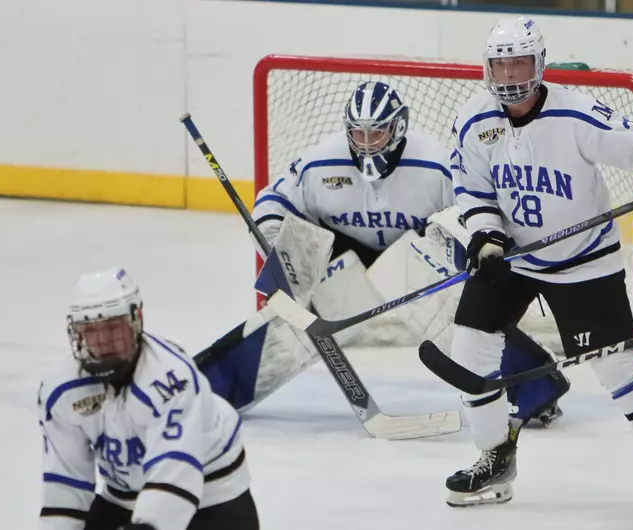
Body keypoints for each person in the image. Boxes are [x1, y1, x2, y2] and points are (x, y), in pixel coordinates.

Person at [202, 81, 570, 427]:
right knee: (299, 317)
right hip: (346, 252)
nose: (366, 144)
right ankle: (210, 386)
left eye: (376, 132)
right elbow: (274, 199)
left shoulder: (436, 164)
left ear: (398, 129)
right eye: (357, 133)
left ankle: (533, 388)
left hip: (416, 254)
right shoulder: (320, 162)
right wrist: (274, 246)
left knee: (452, 318)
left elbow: (474, 210)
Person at [444, 15, 633, 509]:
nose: (511, 75)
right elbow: (472, 189)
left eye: (520, 62)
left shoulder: (575, 114)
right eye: (501, 64)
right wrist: (486, 238)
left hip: (584, 261)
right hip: (514, 257)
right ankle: (495, 457)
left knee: (617, 366)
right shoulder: (474, 119)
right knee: (470, 343)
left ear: (539, 62)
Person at [38, 268, 259, 530]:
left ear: (136, 319)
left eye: (112, 327)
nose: (103, 341)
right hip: (122, 499)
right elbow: (67, 483)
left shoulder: (170, 378)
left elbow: (175, 473)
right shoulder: (62, 390)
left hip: (211, 495)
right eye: (90, 330)